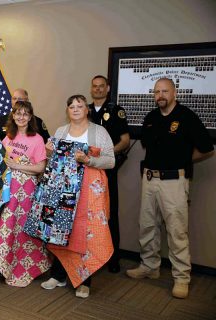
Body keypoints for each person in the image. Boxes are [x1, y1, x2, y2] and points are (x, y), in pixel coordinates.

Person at [126, 78, 214, 299]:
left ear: (174, 92)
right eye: (156, 92)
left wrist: (183, 161)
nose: (160, 95)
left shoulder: (187, 116)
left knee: (176, 231)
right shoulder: (151, 117)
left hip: (174, 182)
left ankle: (182, 277)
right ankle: (150, 266)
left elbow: (206, 148)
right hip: (149, 180)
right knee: (147, 226)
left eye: (165, 91)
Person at [41, 94, 114, 298]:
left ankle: (84, 280)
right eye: (71, 106)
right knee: (61, 230)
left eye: (79, 105)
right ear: (67, 110)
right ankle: (59, 274)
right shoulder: (61, 131)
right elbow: (54, 160)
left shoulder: (99, 132)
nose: (75, 109)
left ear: (86, 109)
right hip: (63, 188)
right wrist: (48, 153)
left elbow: (110, 161)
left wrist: (89, 160)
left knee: (85, 232)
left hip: (89, 189)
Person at [0, 100, 51, 287]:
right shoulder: (8, 137)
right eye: (18, 114)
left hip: (27, 192)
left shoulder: (37, 139)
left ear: (30, 117)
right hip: (10, 191)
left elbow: (41, 167)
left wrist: (18, 165)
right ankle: (6, 265)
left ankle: (25, 267)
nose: (21, 117)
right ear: (13, 116)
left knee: (23, 228)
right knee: (8, 225)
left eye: (25, 114)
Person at [89, 75, 130, 273]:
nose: (97, 89)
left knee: (108, 212)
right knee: (86, 213)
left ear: (107, 88)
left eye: (101, 86)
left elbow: (125, 140)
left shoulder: (116, 111)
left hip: (106, 169)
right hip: (86, 170)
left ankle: (112, 260)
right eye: (94, 86)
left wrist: (105, 154)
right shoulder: (85, 110)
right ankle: (89, 255)